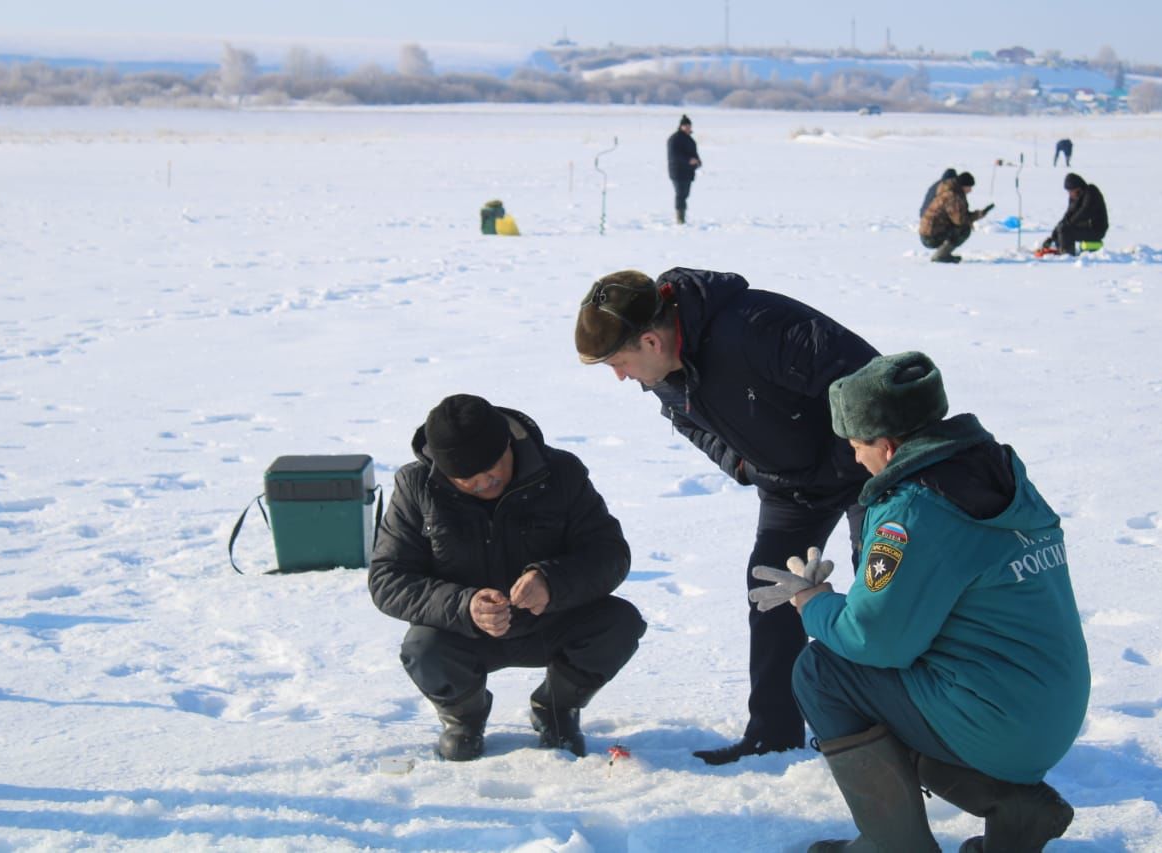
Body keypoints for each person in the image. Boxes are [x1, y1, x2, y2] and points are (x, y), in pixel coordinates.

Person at [753, 351, 1088, 852]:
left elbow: (874, 638)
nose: (855, 458)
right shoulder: (997, 471)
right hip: (1050, 710)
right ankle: (1016, 805)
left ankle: (896, 846)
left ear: (887, 447)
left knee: (823, 671)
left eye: (856, 445)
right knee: (903, 688)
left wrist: (813, 602)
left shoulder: (914, 509)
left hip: (998, 723)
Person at [574, 268, 880, 765]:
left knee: (882, 593)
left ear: (650, 340)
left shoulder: (757, 327)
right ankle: (773, 736)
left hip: (866, 467)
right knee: (771, 593)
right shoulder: (660, 366)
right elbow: (688, 420)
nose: (621, 376)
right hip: (789, 485)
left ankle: (891, 731)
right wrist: (742, 463)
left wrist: (843, 461)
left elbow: (868, 383)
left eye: (619, 363)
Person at [368, 394, 646, 761]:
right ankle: (464, 717)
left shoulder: (560, 472)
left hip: (551, 622)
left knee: (620, 624)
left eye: (492, 469)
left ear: (508, 445)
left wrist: (552, 582)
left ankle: (557, 707)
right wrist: (464, 605)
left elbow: (610, 553)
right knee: (423, 649)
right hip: (465, 633)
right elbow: (388, 579)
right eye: (467, 479)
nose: (483, 483)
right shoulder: (416, 486)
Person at [918, 172, 993, 263]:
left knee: (960, 228)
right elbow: (960, 220)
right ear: (963, 186)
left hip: (927, 232)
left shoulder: (947, 190)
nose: (970, 190)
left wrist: (975, 215)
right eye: (969, 187)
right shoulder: (953, 196)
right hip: (931, 236)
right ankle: (941, 255)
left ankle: (943, 253)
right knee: (964, 230)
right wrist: (977, 215)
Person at [1042, 172, 1108, 255]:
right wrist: (1053, 236)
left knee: (1065, 229)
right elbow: (1067, 215)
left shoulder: (1091, 192)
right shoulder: (1076, 198)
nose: (1070, 193)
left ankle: (1066, 255)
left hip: (1097, 230)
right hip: (1086, 226)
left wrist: (1067, 224)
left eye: (1071, 191)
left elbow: (1084, 212)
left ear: (1078, 188)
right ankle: (1060, 249)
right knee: (1062, 228)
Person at [667, 114, 702, 224]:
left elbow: (694, 153)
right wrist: (688, 160)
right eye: (685, 126)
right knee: (680, 194)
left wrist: (697, 162)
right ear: (681, 126)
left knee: (685, 194)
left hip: (688, 172)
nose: (687, 128)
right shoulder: (675, 139)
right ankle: (680, 218)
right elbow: (675, 155)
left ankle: (683, 216)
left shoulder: (690, 140)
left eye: (689, 126)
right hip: (677, 171)